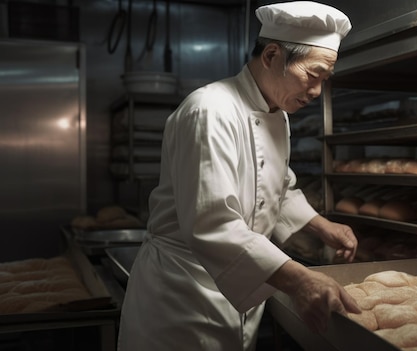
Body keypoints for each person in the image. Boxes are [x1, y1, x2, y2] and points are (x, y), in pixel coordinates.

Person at [117, 2, 360, 350]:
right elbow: (212, 222)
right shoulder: (210, 111)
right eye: (313, 75)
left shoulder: (277, 110)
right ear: (272, 55)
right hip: (183, 294)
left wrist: (322, 226)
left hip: (238, 288)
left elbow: (277, 185)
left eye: (325, 80)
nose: (317, 92)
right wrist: (299, 280)